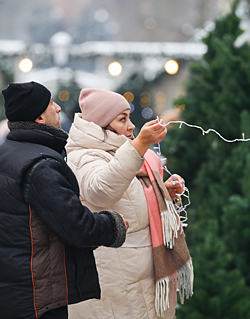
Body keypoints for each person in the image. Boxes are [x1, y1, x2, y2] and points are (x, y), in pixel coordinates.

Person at [0, 81, 128, 319]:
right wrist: (113, 225)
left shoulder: (10, 152)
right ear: (39, 117)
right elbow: (75, 225)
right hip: (36, 297)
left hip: (12, 291)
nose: (59, 108)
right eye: (51, 104)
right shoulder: (41, 165)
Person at [66, 88, 193, 319]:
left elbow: (128, 199)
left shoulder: (118, 151)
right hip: (117, 276)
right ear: (101, 124)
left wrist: (164, 192)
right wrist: (140, 144)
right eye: (122, 119)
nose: (132, 125)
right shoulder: (85, 156)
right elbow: (102, 191)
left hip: (137, 273)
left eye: (129, 117)